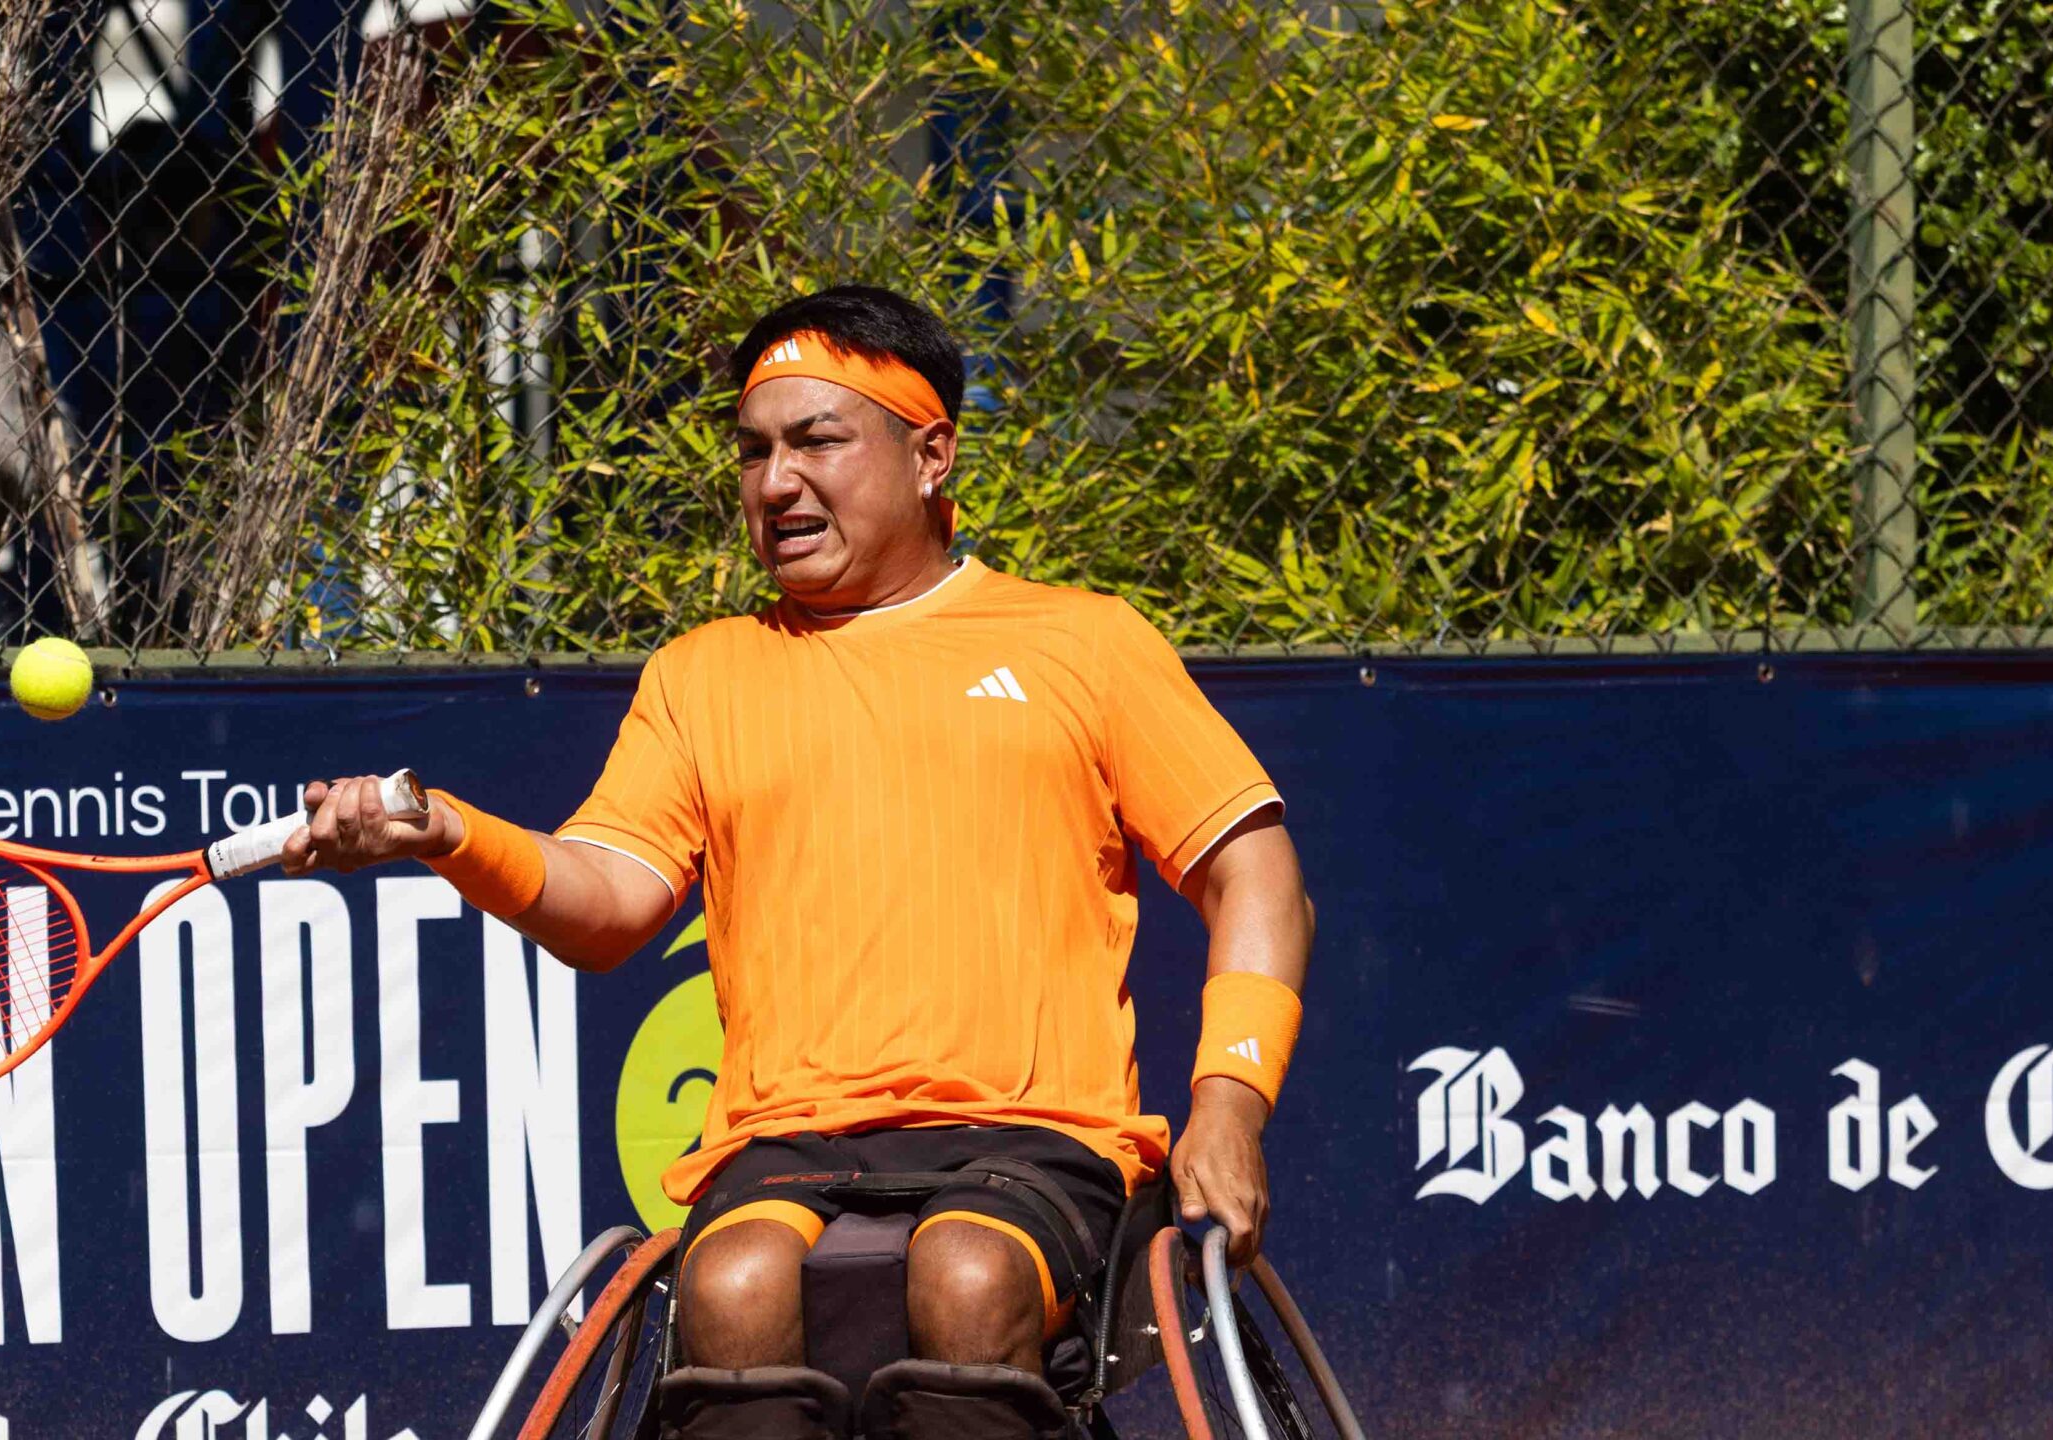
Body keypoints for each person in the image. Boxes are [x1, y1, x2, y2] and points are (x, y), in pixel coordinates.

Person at [284, 285, 1313, 1430]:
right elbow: (610, 900)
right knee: (730, 1286)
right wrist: (449, 834)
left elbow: (1254, 874)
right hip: (784, 1140)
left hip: (1041, 1135)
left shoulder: (1082, 641)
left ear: (930, 456)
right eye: (754, 451)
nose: (776, 484)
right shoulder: (703, 674)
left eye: (817, 441)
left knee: (966, 1273)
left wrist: (1228, 1108)